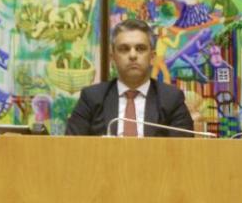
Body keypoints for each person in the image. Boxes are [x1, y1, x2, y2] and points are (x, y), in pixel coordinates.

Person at [65, 19, 194, 137]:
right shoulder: (92, 98)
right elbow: (70, 147)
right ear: (113, 58)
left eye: (140, 49)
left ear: (152, 57)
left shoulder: (171, 99)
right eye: (124, 49)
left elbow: (184, 150)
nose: (133, 55)